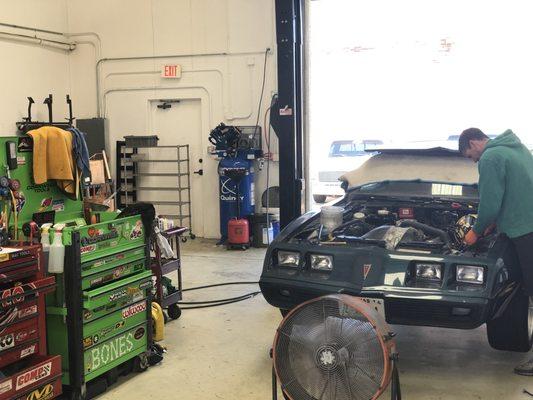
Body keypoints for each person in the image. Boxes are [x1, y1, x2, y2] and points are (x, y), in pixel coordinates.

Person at [459, 127, 533, 376]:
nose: (475, 160)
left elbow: (490, 203)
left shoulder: (490, 157)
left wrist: (476, 232)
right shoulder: (517, 148)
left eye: (471, 156)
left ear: (473, 143)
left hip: (524, 230)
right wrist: (494, 221)